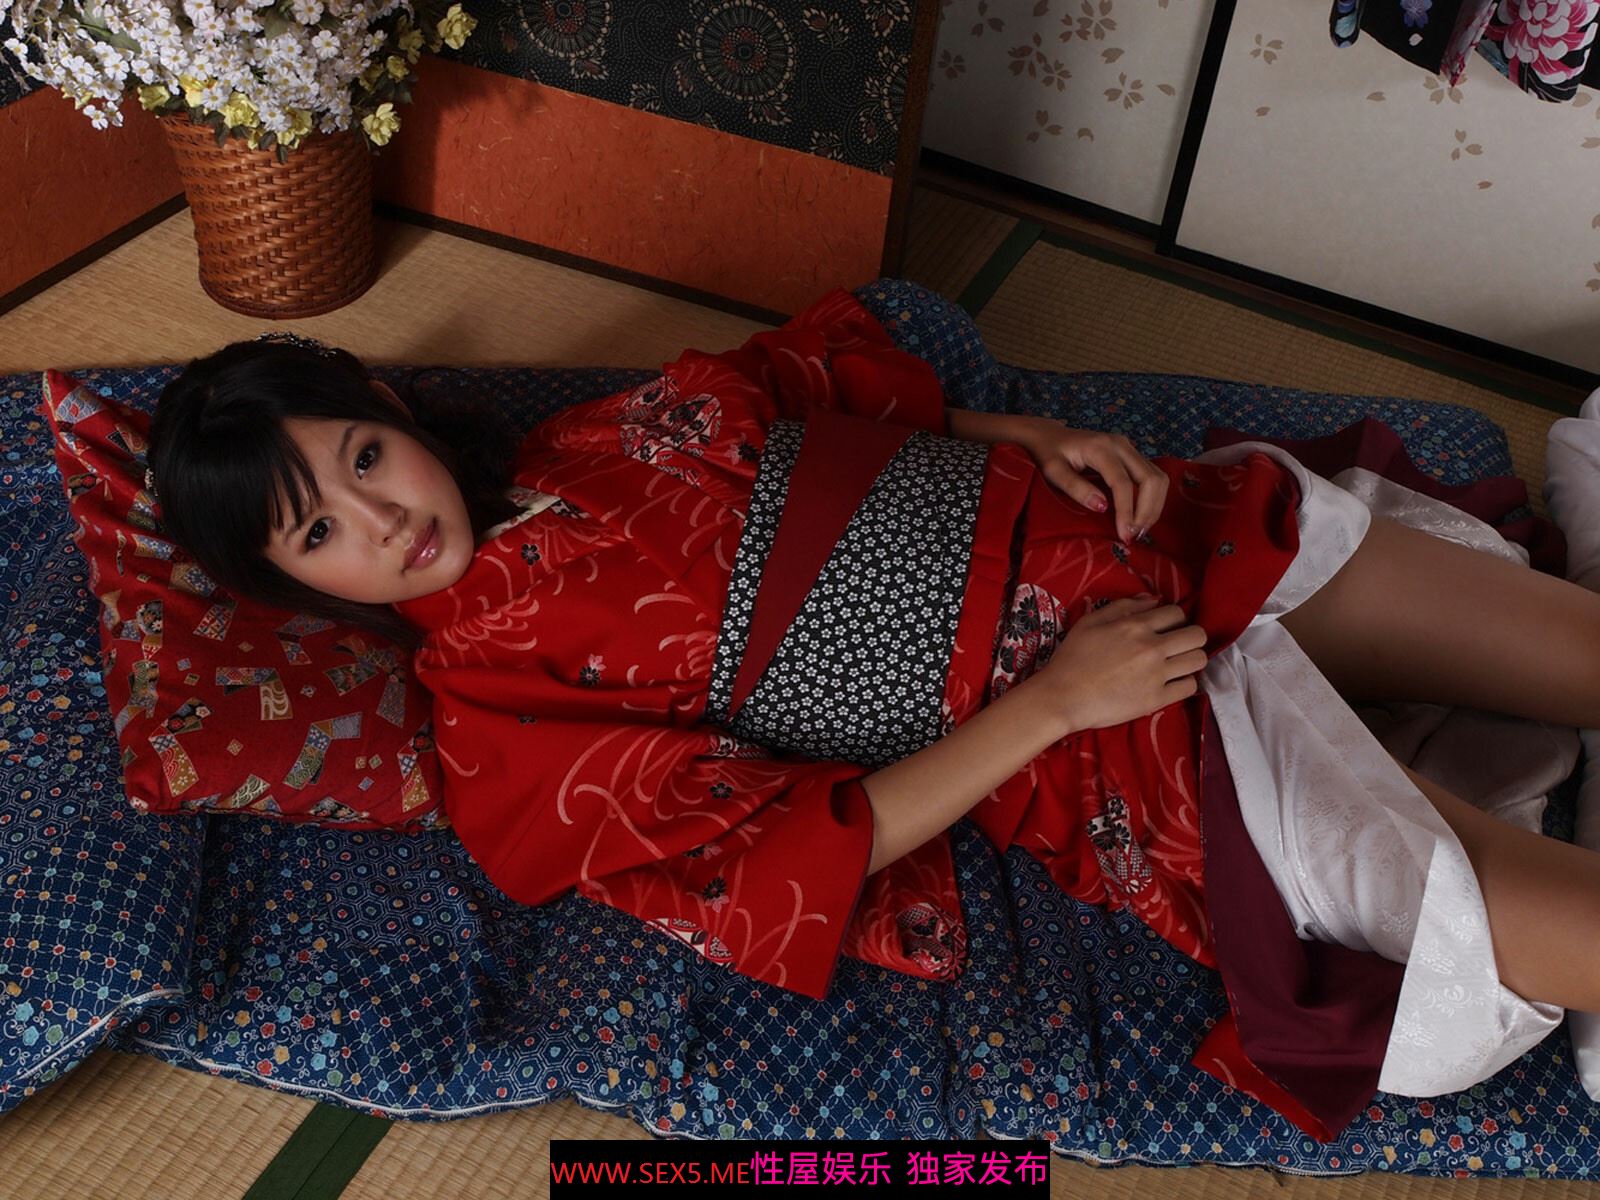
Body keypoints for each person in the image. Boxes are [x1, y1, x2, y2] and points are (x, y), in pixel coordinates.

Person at [146, 289, 1600, 1140]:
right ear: (296, 587)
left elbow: (817, 391)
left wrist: (1037, 434)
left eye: (364, 456)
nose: (381, 519)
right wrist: (1059, 704)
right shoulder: (491, 731)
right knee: (1541, 917)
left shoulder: (591, 438)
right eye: (319, 532)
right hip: (1124, 738)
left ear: (390, 407)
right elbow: (787, 852)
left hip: (1166, 534)